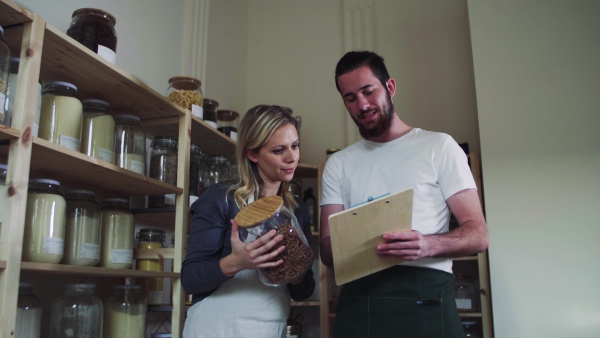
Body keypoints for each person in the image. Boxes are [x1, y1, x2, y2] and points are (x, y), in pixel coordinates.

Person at [320, 50, 489, 337]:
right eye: (350, 98)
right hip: (361, 303)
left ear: (390, 87)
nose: (362, 104)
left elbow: (478, 234)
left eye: (368, 91)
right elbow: (326, 249)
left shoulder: (440, 146)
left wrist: (428, 245)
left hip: (427, 297)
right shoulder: (339, 164)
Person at [182, 105, 315, 337]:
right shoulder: (221, 198)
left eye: (295, 146)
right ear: (252, 154)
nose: (291, 157)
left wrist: (296, 270)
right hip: (216, 328)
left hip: (270, 328)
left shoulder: (297, 210)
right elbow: (191, 279)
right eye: (278, 150)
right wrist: (236, 262)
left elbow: (304, 291)